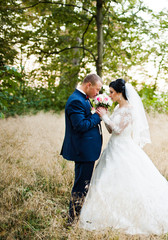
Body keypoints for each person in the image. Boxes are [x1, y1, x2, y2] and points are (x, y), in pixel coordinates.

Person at [78, 79, 168, 235]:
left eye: (112, 92)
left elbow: (119, 129)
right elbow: (111, 130)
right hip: (112, 149)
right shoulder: (117, 109)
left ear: (120, 92)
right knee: (106, 180)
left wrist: (105, 116)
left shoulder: (130, 109)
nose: (110, 95)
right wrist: (104, 117)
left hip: (124, 149)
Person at [60, 73, 103, 225]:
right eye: (97, 89)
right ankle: (72, 220)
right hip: (83, 151)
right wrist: (98, 115)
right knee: (81, 185)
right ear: (88, 85)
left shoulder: (82, 99)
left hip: (86, 150)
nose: (97, 93)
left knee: (82, 183)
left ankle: (77, 215)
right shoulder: (76, 101)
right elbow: (80, 125)